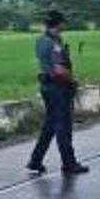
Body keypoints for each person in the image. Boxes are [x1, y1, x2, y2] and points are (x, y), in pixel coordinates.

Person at [26, 9, 89, 176]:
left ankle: (35, 160)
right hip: (58, 87)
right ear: (60, 23)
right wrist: (73, 81)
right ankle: (69, 163)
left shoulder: (40, 41)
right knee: (63, 126)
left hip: (46, 86)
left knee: (50, 125)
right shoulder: (54, 43)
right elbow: (59, 69)